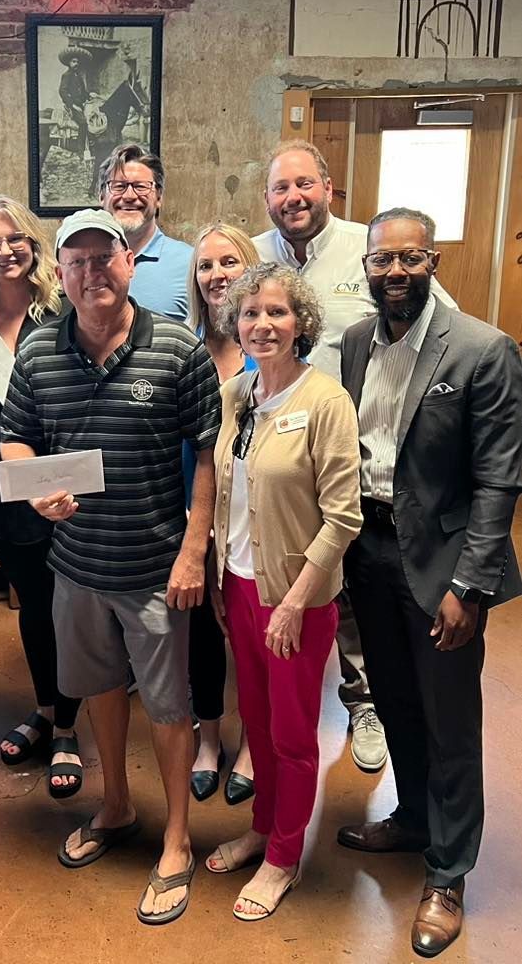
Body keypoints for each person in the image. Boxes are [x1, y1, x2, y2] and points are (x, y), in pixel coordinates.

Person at [0, 208, 220, 925]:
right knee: (99, 690)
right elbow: (15, 440)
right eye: (77, 262)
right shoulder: (38, 352)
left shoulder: (177, 348)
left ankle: (178, 839)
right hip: (75, 567)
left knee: (170, 708)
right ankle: (117, 805)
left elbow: (208, 457)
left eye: (105, 258)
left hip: (156, 569)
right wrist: (37, 493)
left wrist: (193, 552)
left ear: (130, 264)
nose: (92, 272)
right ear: (59, 273)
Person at [338, 208, 522, 958]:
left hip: (444, 563)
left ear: (433, 263)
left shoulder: (482, 349)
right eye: (382, 260)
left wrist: (470, 587)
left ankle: (447, 873)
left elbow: (498, 480)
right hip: (369, 553)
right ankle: (413, 818)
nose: (394, 272)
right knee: (395, 700)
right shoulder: (355, 342)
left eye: (409, 259)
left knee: (450, 722)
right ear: (366, 267)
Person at [251, 138, 453, 770]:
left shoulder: (371, 253)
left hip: (354, 457)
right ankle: (273, 718)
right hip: (278, 459)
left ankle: (362, 702)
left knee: (350, 593)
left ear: (328, 188)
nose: (293, 198)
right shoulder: (254, 255)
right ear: (267, 198)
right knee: (292, 584)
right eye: (281, 188)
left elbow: (446, 333)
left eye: (304, 184)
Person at [205, 261, 362, 922]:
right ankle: (262, 829)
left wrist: (295, 603)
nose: (262, 324)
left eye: (277, 312)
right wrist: (220, 577)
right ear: (234, 324)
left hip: (296, 599)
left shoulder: (324, 400)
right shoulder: (235, 394)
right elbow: (225, 492)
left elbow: (343, 516)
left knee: (294, 735)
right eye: (250, 313)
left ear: (301, 323)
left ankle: (284, 857)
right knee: (258, 724)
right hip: (239, 587)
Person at [0, 195, 83, 797]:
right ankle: (47, 708)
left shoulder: (63, 317)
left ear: (34, 245)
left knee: (67, 610)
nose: (5, 250)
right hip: (4, 497)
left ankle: (69, 727)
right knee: (33, 605)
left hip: (62, 490)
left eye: (15, 239)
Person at [184, 222, 259, 805]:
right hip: (193, 515)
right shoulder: (182, 349)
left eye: (228, 262)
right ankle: (208, 740)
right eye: (206, 265)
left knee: (254, 639)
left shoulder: (271, 342)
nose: (217, 275)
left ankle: (254, 744)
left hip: (258, 520)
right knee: (202, 637)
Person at [98, 143, 192, 321]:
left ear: (159, 197)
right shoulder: (82, 264)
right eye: (119, 186)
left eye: (141, 186)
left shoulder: (190, 263)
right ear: (102, 196)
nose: (129, 196)